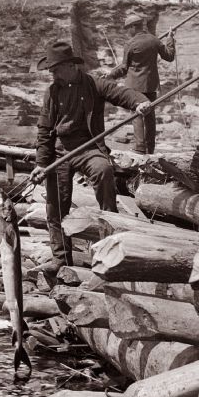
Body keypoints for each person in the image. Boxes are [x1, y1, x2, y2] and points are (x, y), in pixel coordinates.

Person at [29, 40, 152, 270]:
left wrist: (140, 103)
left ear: (69, 66)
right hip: (59, 151)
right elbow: (44, 131)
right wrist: (40, 163)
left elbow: (120, 93)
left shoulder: (93, 84)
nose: (52, 74)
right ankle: (61, 259)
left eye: (55, 69)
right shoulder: (52, 92)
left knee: (103, 170)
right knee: (55, 204)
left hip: (89, 147)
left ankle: (110, 243)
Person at [105, 13, 175, 154]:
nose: (127, 32)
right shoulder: (154, 41)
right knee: (150, 116)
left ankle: (139, 147)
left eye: (128, 28)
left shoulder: (130, 44)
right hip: (150, 85)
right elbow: (169, 56)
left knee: (136, 115)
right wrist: (170, 39)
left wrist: (110, 74)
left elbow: (124, 68)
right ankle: (150, 148)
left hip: (134, 87)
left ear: (133, 27)